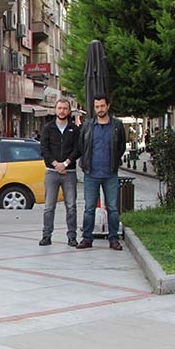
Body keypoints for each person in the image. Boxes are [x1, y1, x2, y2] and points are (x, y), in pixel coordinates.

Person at [75, 95, 127, 250]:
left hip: (110, 173)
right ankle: (87, 238)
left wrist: (115, 162)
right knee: (89, 208)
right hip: (91, 173)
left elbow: (121, 147)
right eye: (97, 107)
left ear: (108, 106)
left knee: (112, 208)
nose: (100, 109)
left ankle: (113, 239)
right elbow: (81, 145)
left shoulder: (117, 125)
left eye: (102, 106)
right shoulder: (88, 125)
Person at [38, 98, 80, 247]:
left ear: (69, 111)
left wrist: (66, 163)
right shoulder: (47, 128)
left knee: (71, 206)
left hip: (69, 172)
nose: (62, 111)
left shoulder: (74, 129)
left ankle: (72, 237)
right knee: (49, 206)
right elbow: (44, 149)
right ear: (55, 110)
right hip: (52, 171)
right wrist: (56, 164)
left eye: (65, 108)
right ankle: (46, 235)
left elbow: (78, 149)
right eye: (59, 108)